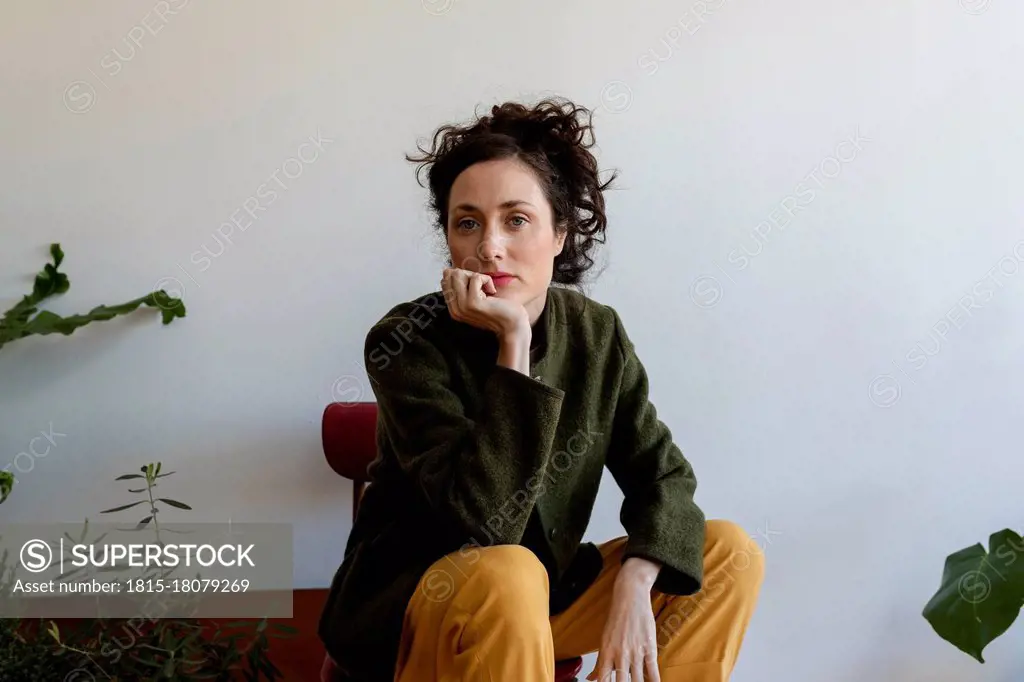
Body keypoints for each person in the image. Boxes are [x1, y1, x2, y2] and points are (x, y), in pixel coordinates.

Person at [318, 97, 764, 682]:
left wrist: (637, 574)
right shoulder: (405, 341)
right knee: (509, 571)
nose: (490, 246)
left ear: (559, 233)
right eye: (468, 222)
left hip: (545, 598)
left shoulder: (595, 334)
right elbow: (483, 524)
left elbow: (664, 477)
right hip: (426, 607)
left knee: (728, 553)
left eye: (516, 219)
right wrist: (513, 342)